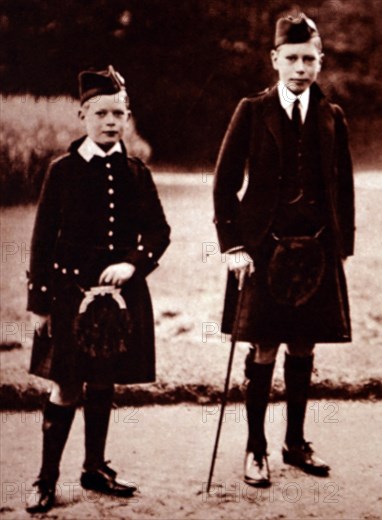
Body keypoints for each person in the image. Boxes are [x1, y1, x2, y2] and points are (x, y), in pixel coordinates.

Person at [213, 13, 354, 487]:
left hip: (314, 254)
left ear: (320, 61)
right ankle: (256, 448)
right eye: (291, 58)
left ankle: (295, 442)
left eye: (309, 58)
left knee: (304, 344)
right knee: (264, 346)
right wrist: (233, 245)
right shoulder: (252, 111)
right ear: (275, 59)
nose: (300, 67)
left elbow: (344, 187)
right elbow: (224, 184)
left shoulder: (332, 117)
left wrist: (342, 246)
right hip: (263, 252)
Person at [25, 66, 171, 513]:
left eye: (119, 113)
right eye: (101, 112)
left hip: (119, 303)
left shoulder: (135, 172)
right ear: (82, 115)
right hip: (69, 297)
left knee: (105, 380)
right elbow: (41, 239)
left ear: (127, 117)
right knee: (67, 386)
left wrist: (133, 264)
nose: (111, 121)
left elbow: (160, 233)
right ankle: (45, 480)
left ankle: (95, 468)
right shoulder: (63, 171)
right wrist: (39, 305)